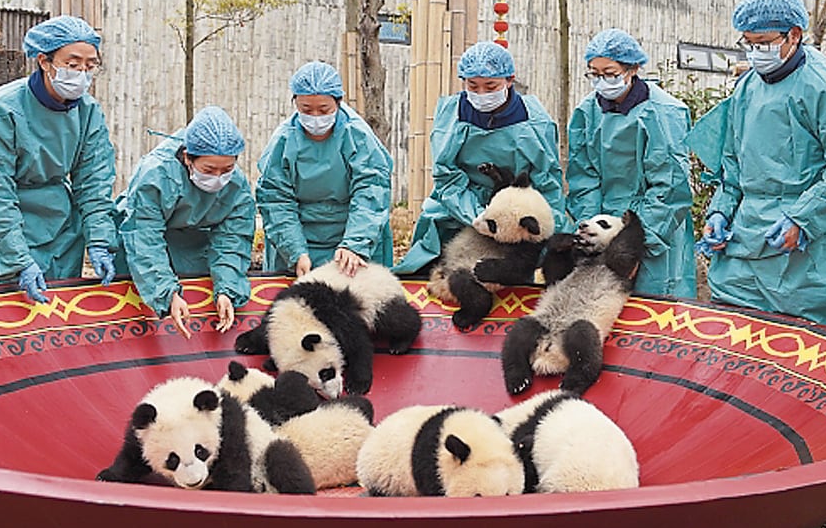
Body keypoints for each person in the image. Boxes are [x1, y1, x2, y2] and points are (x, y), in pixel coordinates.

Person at [685, 0, 826, 324]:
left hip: (802, 246)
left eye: (763, 42)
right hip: (745, 238)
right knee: (730, 333)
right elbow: (733, 166)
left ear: (795, 35)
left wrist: (803, 219)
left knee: (801, 346)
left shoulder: (825, 87)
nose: (756, 52)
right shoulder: (748, 86)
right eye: (749, 43)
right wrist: (720, 213)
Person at [0, 15, 118, 304]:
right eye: (73, 65)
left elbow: (95, 183)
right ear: (44, 61)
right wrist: (17, 260)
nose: (82, 74)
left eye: (90, 66)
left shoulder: (88, 113)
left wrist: (100, 241)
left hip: (56, 223)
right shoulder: (0, 112)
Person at [394, 41, 568, 275]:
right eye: (473, 86)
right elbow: (446, 178)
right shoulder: (452, 114)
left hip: (516, 217)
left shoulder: (535, 123)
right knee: (430, 271)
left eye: (490, 86)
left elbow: (547, 183)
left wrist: (534, 225)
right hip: (457, 209)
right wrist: (479, 215)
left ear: (509, 80)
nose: (481, 94)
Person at [565, 29, 694, 297]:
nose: (602, 81)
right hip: (604, 222)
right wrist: (592, 232)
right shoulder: (586, 112)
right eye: (594, 73)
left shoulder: (663, 113)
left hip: (654, 227)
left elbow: (668, 188)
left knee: (654, 313)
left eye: (610, 73)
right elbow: (584, 177)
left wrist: (633, 244)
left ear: (633, 68)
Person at [117, 106, 256, 337]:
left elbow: (233, 239)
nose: (218, 178)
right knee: (139, 315)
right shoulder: (156, 175)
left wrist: (227, 290)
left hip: (191, 241)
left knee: (198, 302)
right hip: (141, 240)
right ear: (187, 158)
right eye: (209, 169)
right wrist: (166, 293)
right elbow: (145, 238)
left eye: (227, 169)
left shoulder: (236, 185)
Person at [256, 61, 394, 276]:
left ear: (338, 103)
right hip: (298, 235)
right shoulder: (283, 141)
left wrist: (355, 244)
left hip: (351, 232)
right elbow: (276, 200)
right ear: (295, 104)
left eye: (324, 110)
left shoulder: (357, 135)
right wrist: (295, 251)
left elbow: (371, 191)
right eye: (306, 110)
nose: (316, 118)